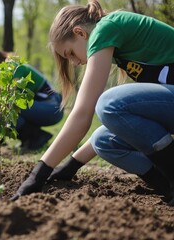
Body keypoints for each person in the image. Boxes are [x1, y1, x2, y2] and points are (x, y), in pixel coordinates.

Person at [11, 0, 174, 205]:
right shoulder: (120, 46)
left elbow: (83, 113)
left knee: (110, 103)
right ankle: (165, 184)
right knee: (102, 141)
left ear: (80, 33)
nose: (76, 62)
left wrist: (39, 174)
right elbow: (122, 121)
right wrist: (71, 166)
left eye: (70, 53)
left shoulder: (106, 28)